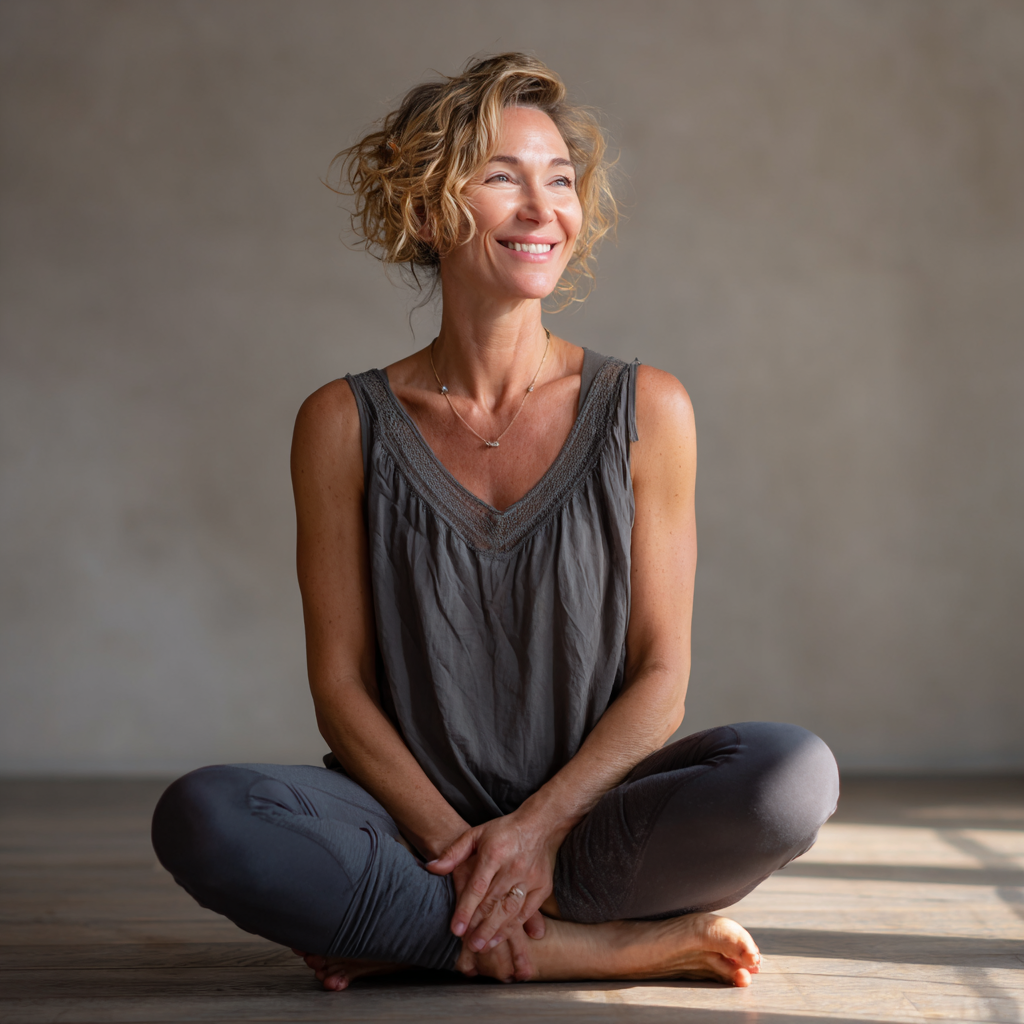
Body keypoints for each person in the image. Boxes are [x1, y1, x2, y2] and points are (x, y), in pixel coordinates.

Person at [151, 53, 839, 990]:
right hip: (411, 829)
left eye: (558, 179)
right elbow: (341, 689)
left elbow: (662, 676)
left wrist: (537, 831)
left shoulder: (650, 409)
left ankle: (415, 934)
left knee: (791, 774)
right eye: (502, 176)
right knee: (204, 814)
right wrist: (465, 846)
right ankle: (592, 947)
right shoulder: (342, 423)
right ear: (429, 209)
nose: (542, 206)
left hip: (589, 823)